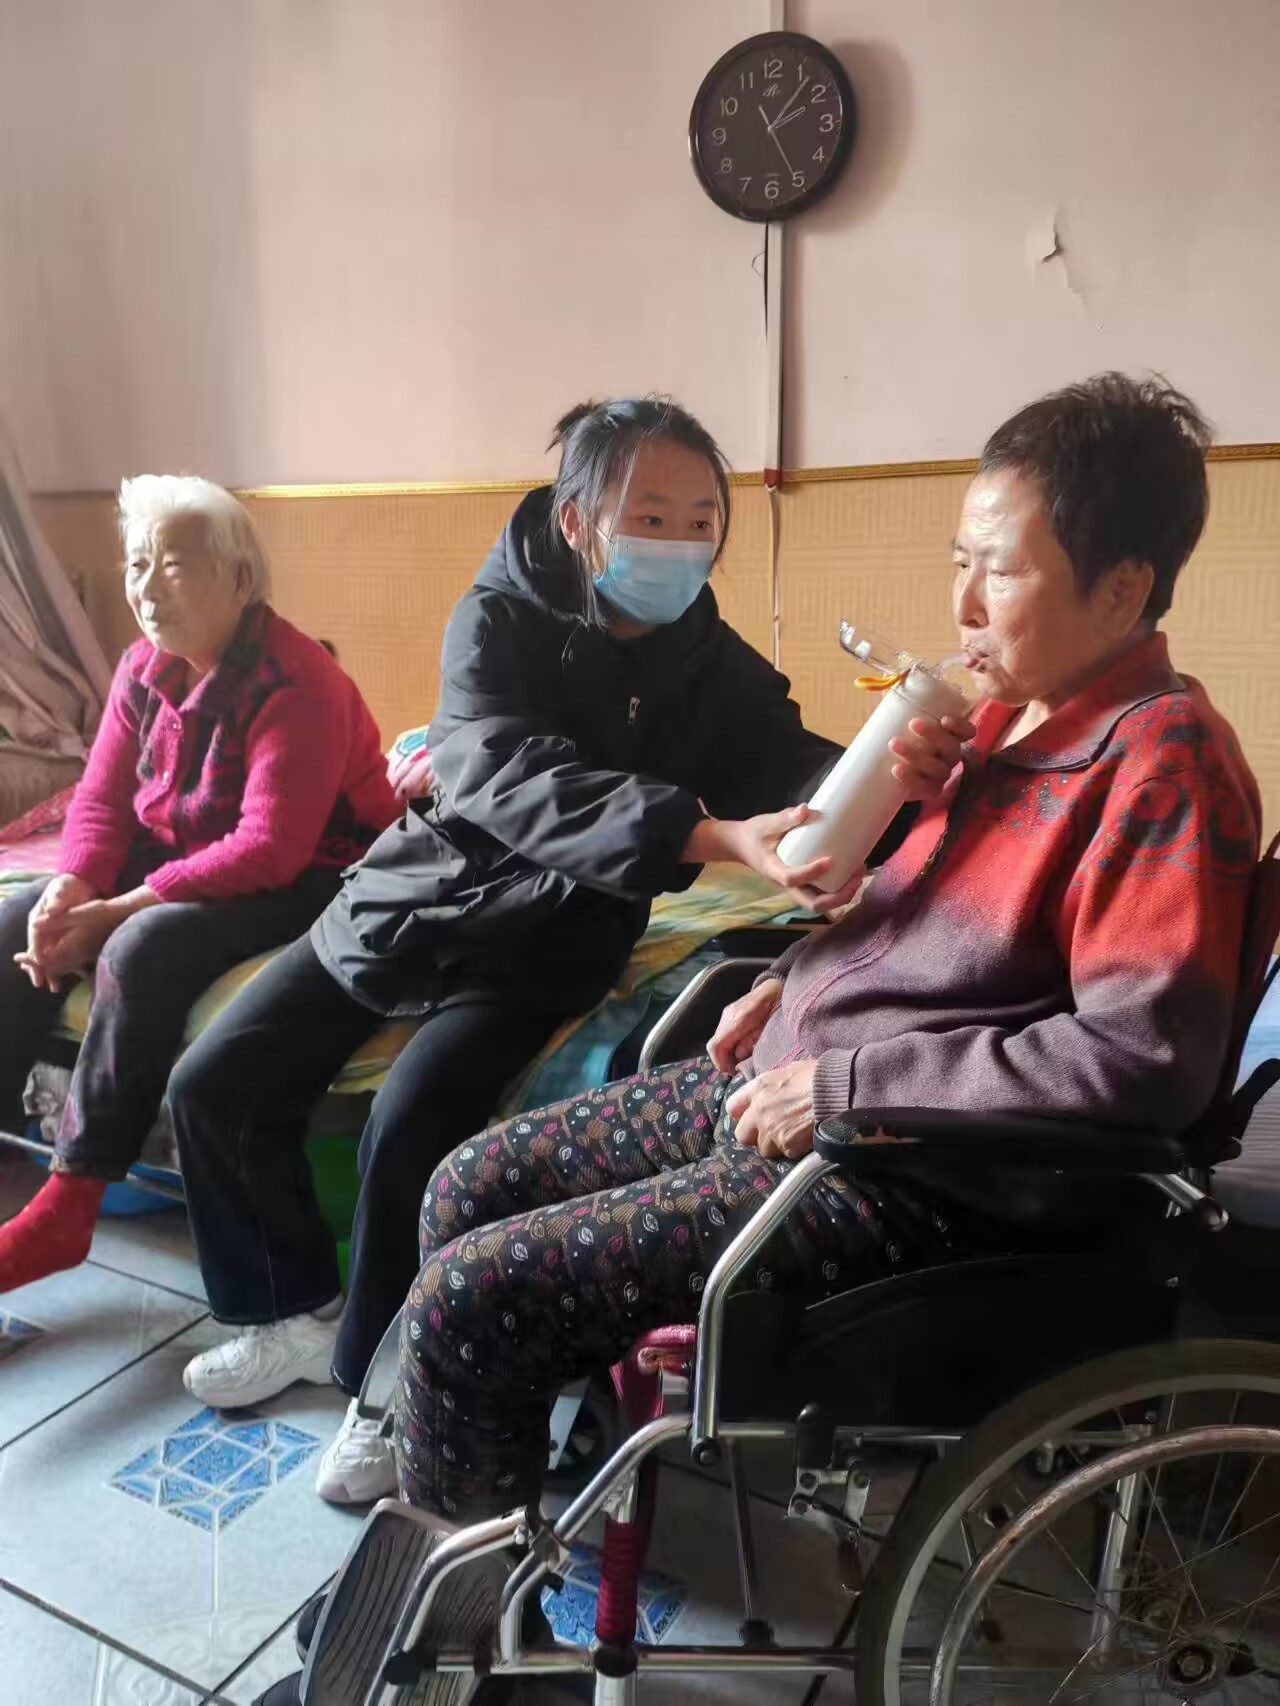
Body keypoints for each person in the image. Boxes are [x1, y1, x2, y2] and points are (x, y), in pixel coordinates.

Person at [333, 373, 1258, 1697]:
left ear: (1121, 591)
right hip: (804, 1097)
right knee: (464, 1181)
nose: (962, 603)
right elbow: (905, 926)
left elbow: (1135, 1058)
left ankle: (467, 1657)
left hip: (916, 1173)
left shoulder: (1161, 764)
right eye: (958, 560)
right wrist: (791, 977)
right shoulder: (1004, 726)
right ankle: (488, 1517)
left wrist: (846, 1077)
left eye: (998, 570)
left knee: (473, 1295)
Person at [170, 396, 971, 1507]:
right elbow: (503, 772)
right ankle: (286, 1307)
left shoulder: (710, 662)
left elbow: (789, 761)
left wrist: (894, 781)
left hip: (546, 936)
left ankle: (376, 1386)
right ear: (576, 520)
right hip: (414, 894)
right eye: (650, 515)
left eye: (701, 520)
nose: (679, 543)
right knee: (213, 1079)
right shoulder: (495, 619)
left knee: (413, 1117)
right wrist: (708, 836)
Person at [0, 475, 397, 1292]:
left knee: (139, 947)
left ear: (241, 580)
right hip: (197, 850)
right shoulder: (141, 669)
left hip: (319, 869)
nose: (147, 589)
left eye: (174, 566)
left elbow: (268, 849)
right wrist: (72, 886)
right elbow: (102, 802)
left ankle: (72, 1201)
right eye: (136, 564)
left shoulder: (300, 683)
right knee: (14, 919)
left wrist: (118, 909)